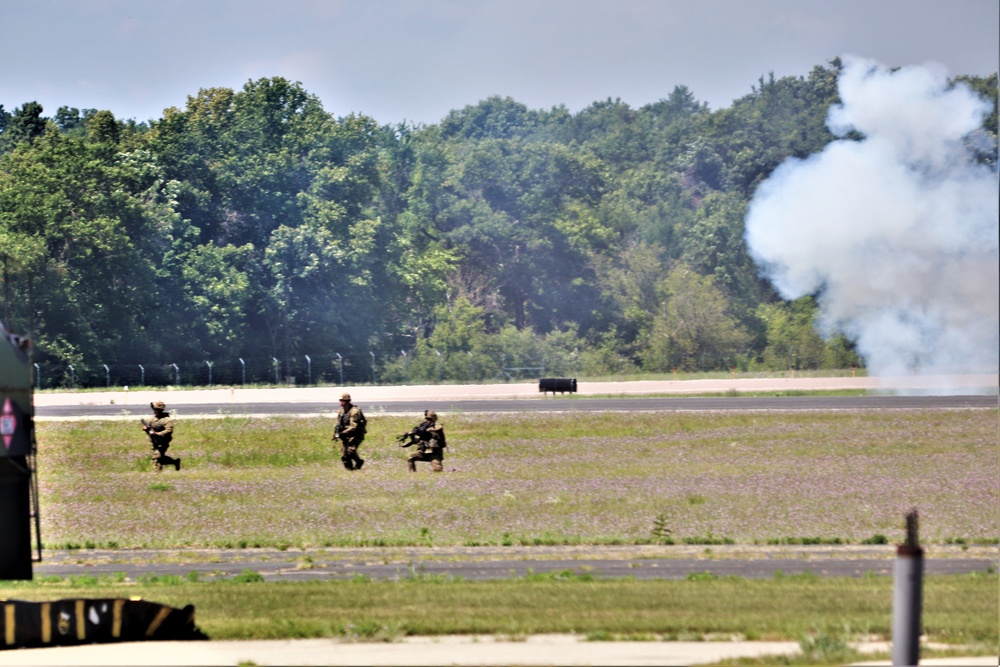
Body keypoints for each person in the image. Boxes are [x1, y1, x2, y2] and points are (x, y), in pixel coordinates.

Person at [142, 401, 180, 472]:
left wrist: (158, 434)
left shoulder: (166, 420)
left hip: (163, 441)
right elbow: (148, 427)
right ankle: (159, 472)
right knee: (157, 459)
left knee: (157, 456)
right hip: (154, 441)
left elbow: (169, 430)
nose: (155, 411)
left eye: (156, 410)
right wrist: (145, 429)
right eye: (154, 410)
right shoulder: (152, 419)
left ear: (160, 410)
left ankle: (158, 472)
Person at [333, 392, 366, 470]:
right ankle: (350, 470)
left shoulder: (354, 411)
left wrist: (342, 433)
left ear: (348, 401)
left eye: (343, 401)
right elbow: (338, 424)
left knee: (350, 450)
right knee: (344, 454)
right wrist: (335, 433)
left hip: (356, 434)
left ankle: (358, 462)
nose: (341, 403)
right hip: (345, 434)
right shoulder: (341, 411)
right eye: (340, 401)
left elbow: (354, 426)